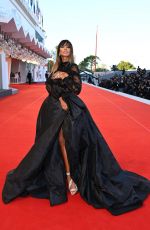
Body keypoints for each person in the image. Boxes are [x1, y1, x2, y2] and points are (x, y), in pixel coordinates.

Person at [2, 40, 150, 216]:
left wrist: (65, 80)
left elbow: (77, 88)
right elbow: (49, 87)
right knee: (50, 142)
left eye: (67, 47)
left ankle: (71, 177)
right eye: (62, 47)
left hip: (69, 108)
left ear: (70, 51)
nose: (65, 50)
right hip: (51, 108)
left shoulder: (73, 67)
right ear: (58, 51)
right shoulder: (55, 65)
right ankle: (66, 175)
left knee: (67, 140)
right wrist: (58, 93)